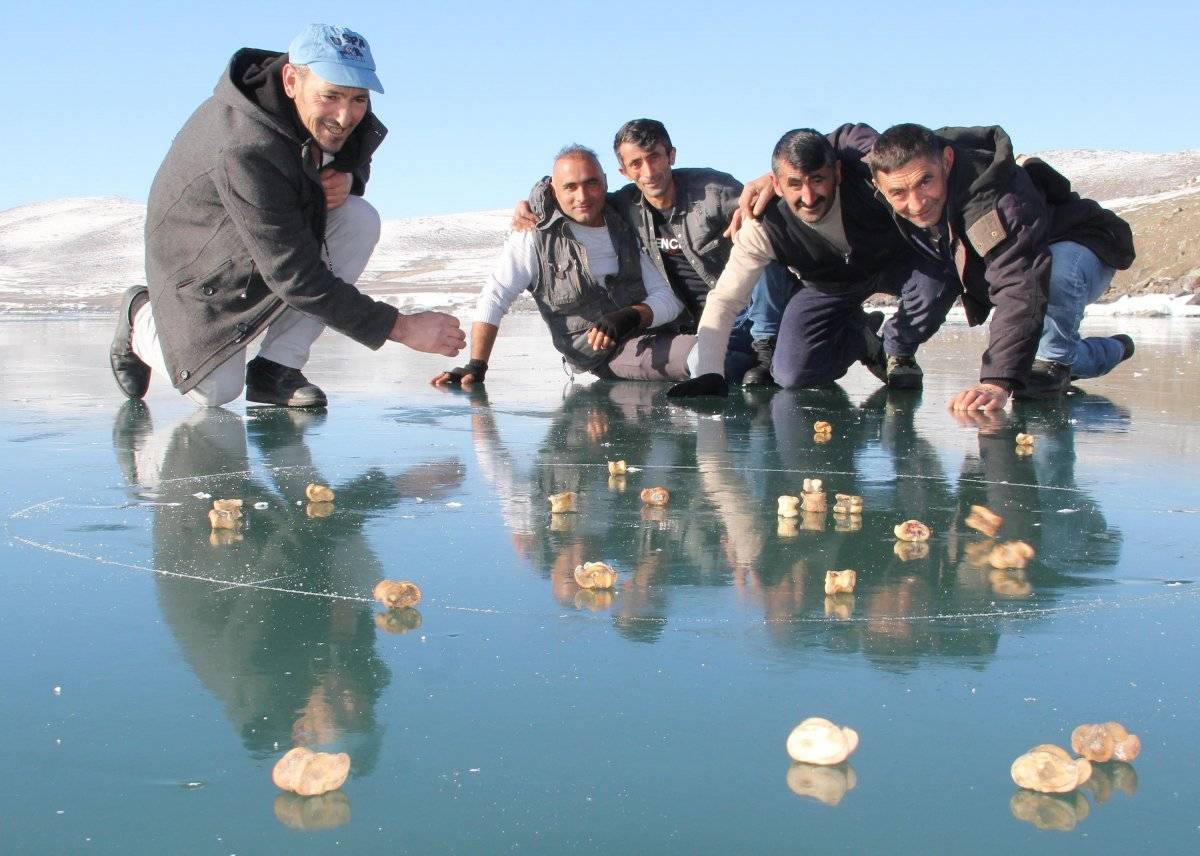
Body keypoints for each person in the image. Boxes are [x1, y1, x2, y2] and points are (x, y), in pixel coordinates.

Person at [109, 24, 465, 409]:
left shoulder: (331, 105)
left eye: (358, 99)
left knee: (359, 218)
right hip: (201, 268)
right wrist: (401, 327)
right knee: (215, 390)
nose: (345, 116)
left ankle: (276, 369)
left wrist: (348, 175)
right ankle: (139, 317)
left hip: (262, 245)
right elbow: (294, 276)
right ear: (292, 80)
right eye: (331, 96)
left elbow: (354, 150)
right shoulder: (243, 145)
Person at [668, 125, 958, 398]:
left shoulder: (870, 178)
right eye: (794, 184)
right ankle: (862, 337)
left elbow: (870, 143)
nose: (808, 197)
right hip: (830, 286)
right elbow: (725, 300)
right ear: (776, 185)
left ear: (838, 172)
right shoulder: (763, 226)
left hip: (895, 266)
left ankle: (899, 350)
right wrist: (709, 374)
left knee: (938, 278)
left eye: (818, 180)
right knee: (790, 375)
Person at [867, 123, 1136, 410]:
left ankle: (1053, 364)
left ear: (946, 160)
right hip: (1029, 266)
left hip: (1083, 248)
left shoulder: (994, 201)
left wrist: (997, 380)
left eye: (925, 182)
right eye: (898, 192)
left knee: (1055, 286)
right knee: (1040, 355)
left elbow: (1018, 283)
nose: (917, 203)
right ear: (879, 186)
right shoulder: (887, 176)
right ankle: (1109, 350)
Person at [513, 119, 795, 385]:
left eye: (655, 157)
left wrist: (772, 180)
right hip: (706, 327)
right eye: (636, 163)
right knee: (717, 370)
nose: (648, 172)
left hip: (747, 311)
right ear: (624, 171)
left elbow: (769, 203)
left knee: (759, 227)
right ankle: (756, 359)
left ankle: (767, 341)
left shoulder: (711, 191)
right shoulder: (625, 205)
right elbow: (579, 196)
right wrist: (537, 201)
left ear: (671, 155)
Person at [431, 145, 689, 386]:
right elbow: (495, 295)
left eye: (592, 183)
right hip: (605, 354)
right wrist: (477, 364)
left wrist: (630, 315)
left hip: (659, 331)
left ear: (606, 182)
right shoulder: (534, 235)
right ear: (554, 190)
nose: (583, 196)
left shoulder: (627, 221)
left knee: (722, 345)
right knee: (708, 357)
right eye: (570, 187)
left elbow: (668, 297)